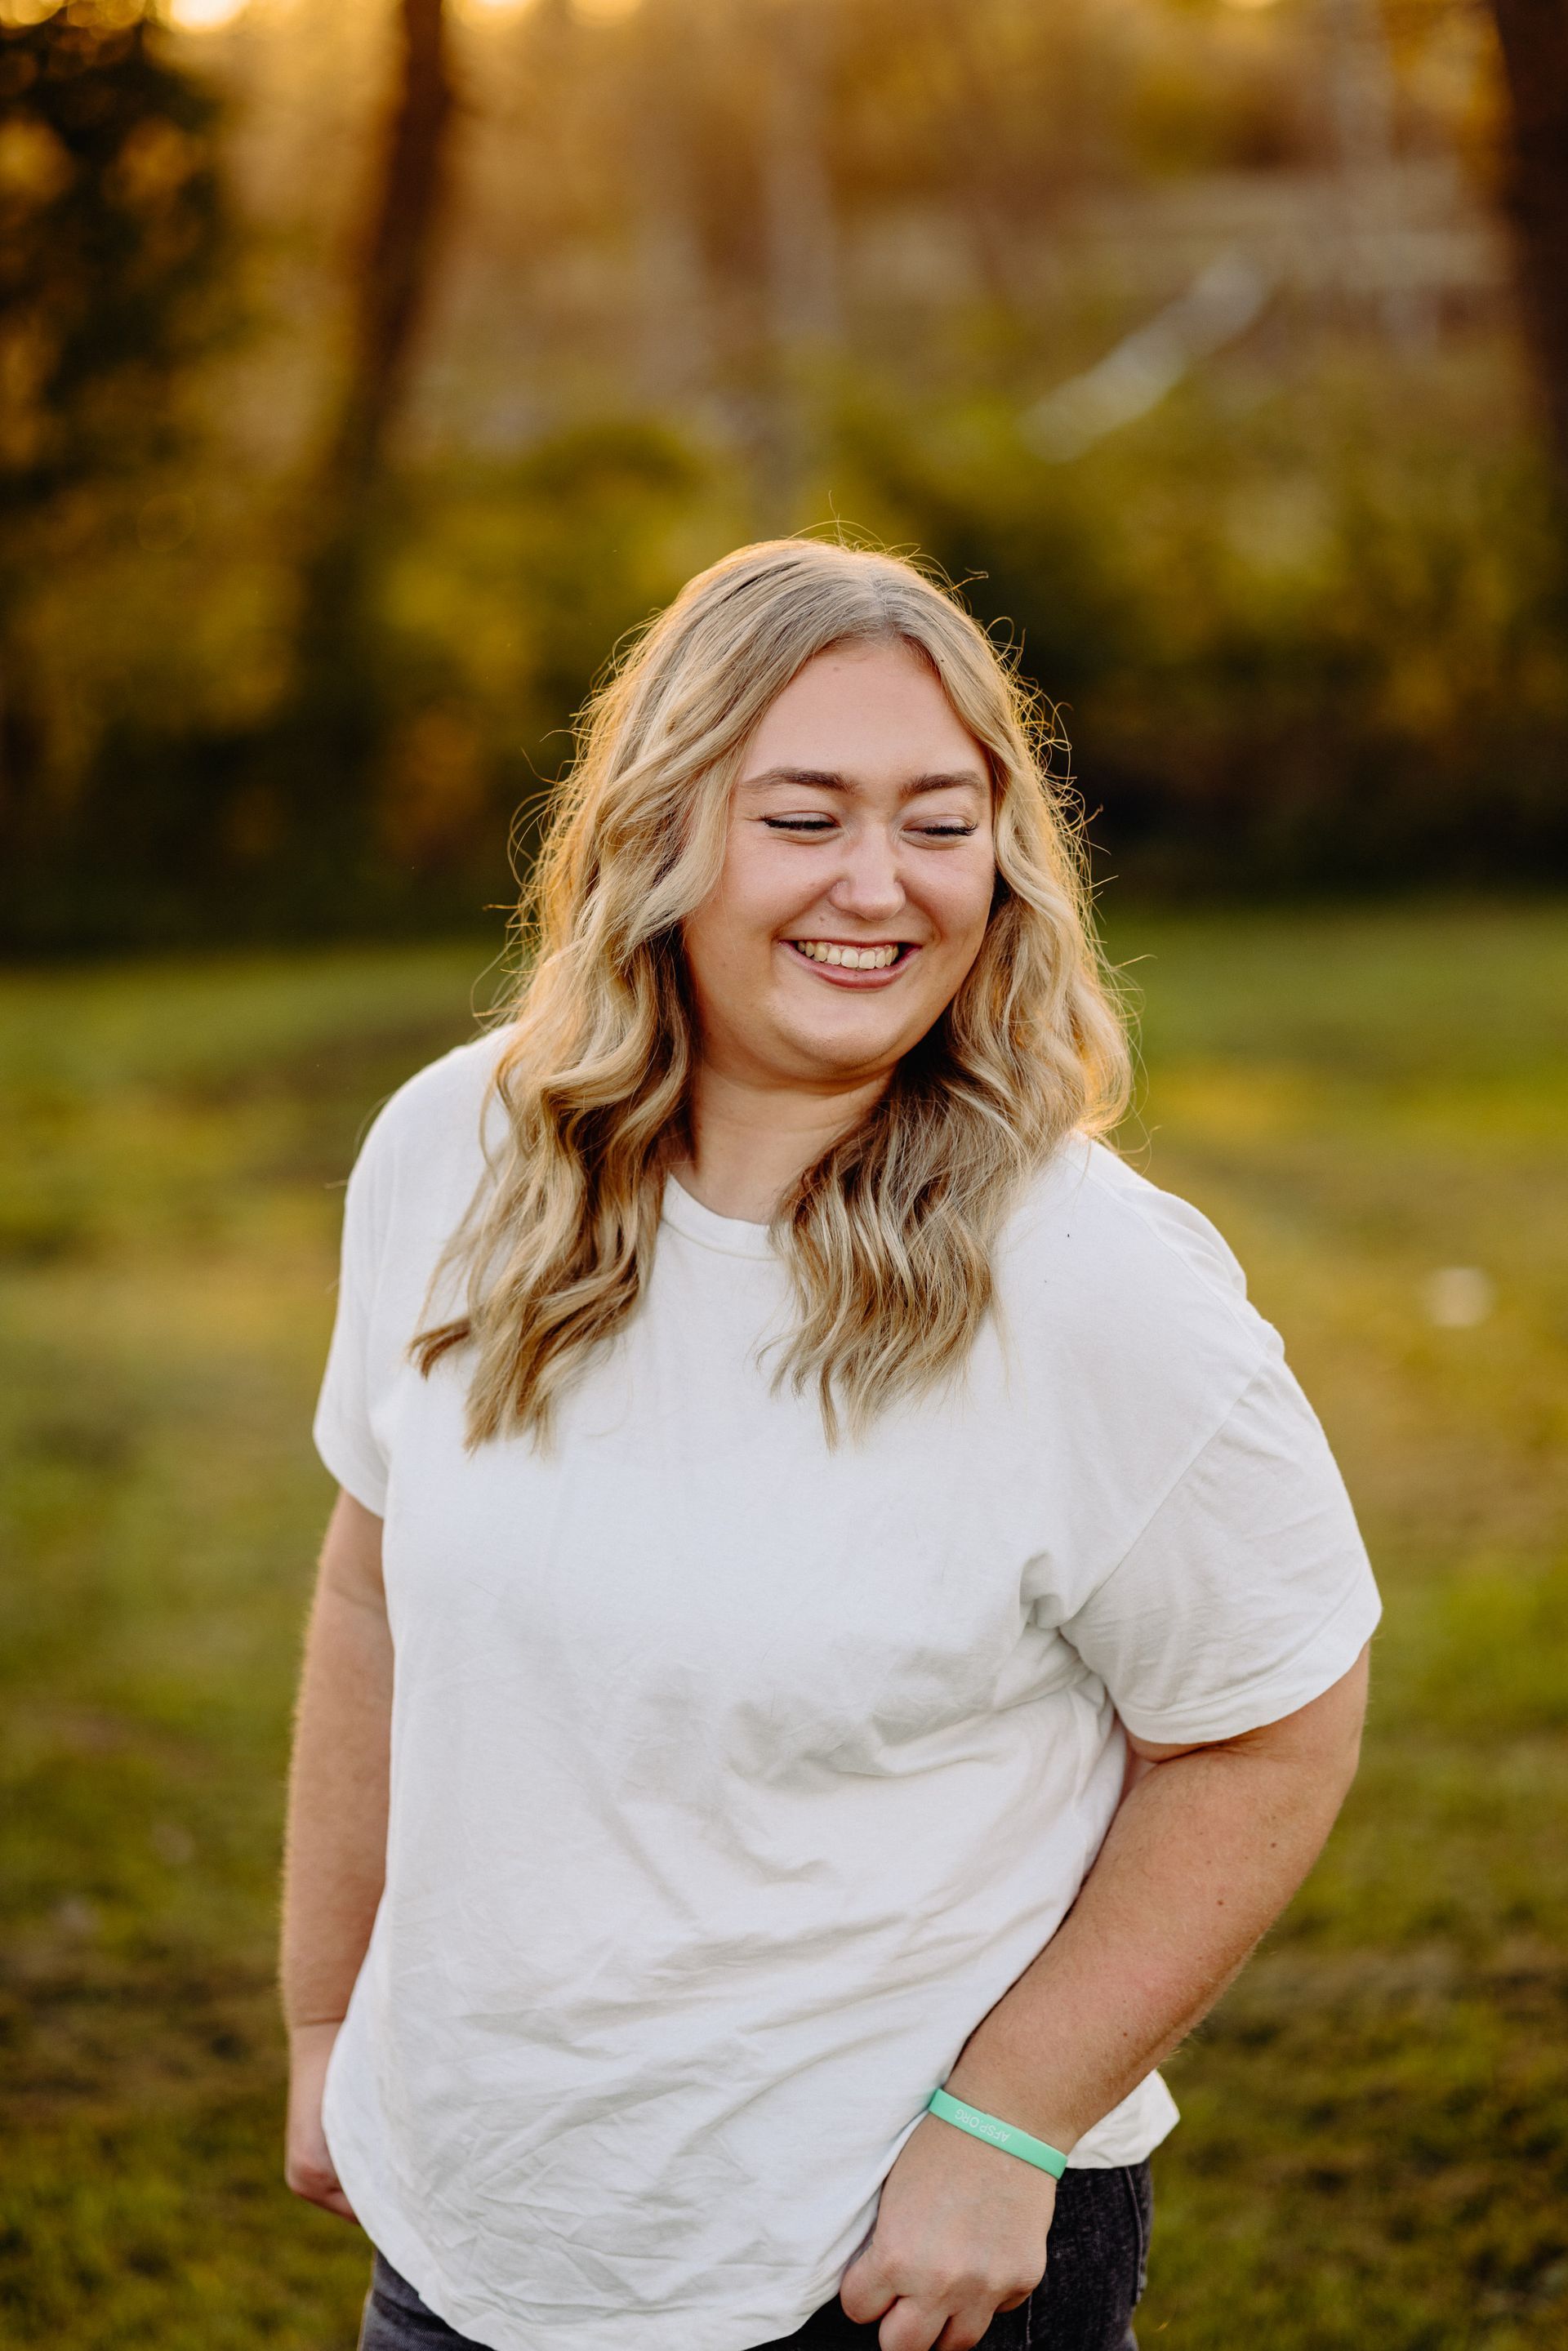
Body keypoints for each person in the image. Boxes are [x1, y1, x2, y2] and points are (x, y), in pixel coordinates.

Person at [280, 538, 1380, 2351]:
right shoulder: (454, 1155)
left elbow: (1270, 1725)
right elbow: (370, 1587)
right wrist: (332, 2017)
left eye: (940, 824)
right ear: (664, 834)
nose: (881, 889)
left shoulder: (1093, 1281)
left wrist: (1004, 2123)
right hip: (479, 2233)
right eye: (806, 818)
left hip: (881, 2268)